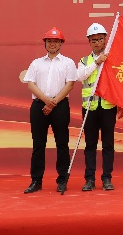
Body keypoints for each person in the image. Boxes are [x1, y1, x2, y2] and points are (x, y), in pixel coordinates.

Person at [22, 27, 77, 194]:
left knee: (62, 143)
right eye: (49, 41)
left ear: (61, 43)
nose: (52, 44)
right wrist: (46, 101)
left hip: (60, 105)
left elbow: (70, 84)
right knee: (38, 144)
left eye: (56, 41)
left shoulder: (68, 63)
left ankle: (62, 180)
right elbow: (30, 84)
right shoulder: (36, 63)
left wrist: (53, 102)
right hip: (39, 105)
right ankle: (36, 180)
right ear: (45, 43)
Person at [77, 22, 123, 191]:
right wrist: (97, 62)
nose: (97, 42)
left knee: (108, 145)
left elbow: (119, 82)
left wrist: (121, 103)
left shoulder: (113, 59)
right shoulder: (85, 61)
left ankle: (107, 178)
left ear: (105, 40)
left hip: (107, 107)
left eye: (100, 39)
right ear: (89, 42)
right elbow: (80, 76)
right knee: (90, 145)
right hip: (89, 107)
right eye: (93, 40)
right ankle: (89, 179)